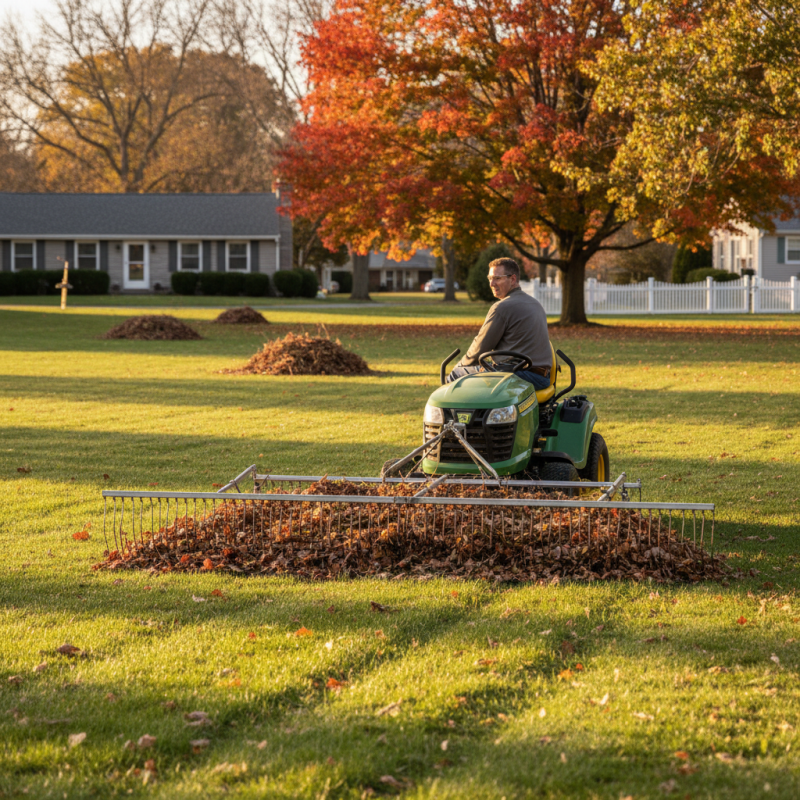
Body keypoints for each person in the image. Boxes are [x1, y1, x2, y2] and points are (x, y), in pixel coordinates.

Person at [447, 257, 551, 390]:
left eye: (497, 278)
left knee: (456, 375)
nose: (491, 283)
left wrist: (461, 365)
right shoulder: (535, 304)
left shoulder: (502, 307)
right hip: (543, 378)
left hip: (517, 376)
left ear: (512, 279)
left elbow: (480, 347)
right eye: (490, 278)